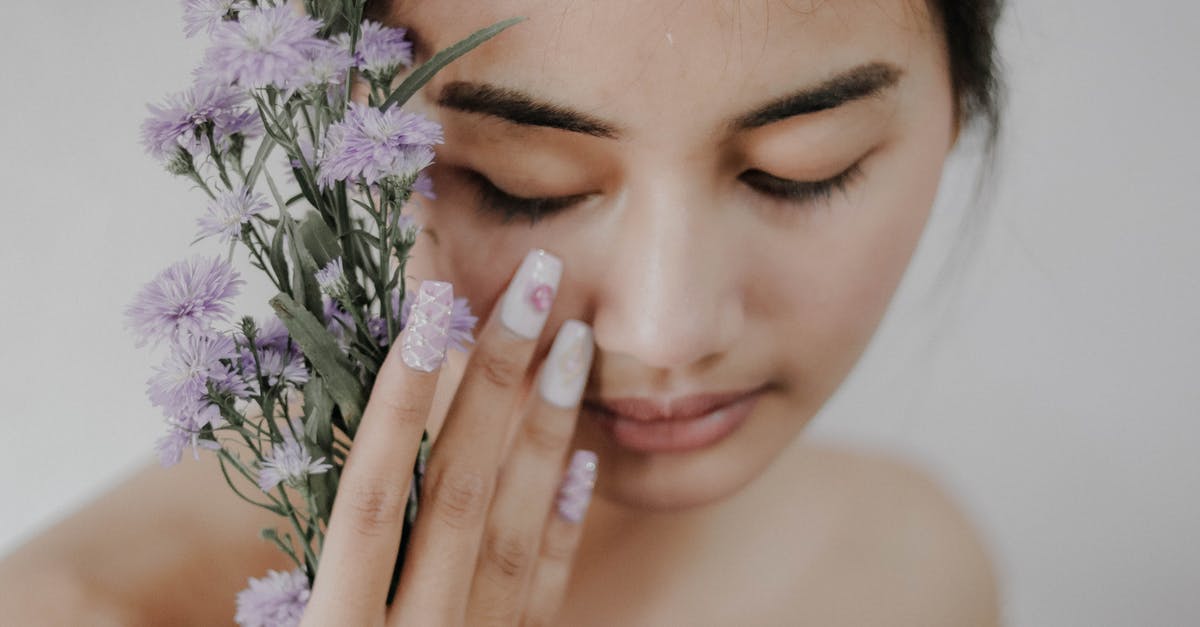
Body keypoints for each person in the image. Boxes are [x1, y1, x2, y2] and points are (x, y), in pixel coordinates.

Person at [0, 0, 1004, 624]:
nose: (668, 329)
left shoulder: (904, 561)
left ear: (960, 103)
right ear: (336, 134)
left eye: (801, 171)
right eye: (528, 185)